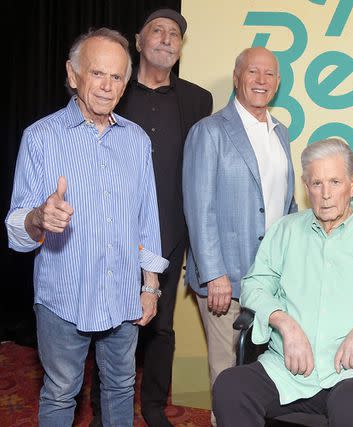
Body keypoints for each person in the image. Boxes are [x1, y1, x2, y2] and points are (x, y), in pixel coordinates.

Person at [5, 28, 168, 426]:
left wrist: (149, 286)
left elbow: (147, 217)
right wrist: (39, 218)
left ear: (125, 83)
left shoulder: (135, 140)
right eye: (97, 73)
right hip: (64, 295)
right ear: (73, 74)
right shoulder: (40, 137)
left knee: (120, 387)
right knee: (61, 394)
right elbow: (16, 228)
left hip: (122, 295)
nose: (106, 86)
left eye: (116, 77)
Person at [211, 139, 353, 426]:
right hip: (285, 369)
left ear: (352, 184)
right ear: (305, 185)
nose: (325, 194)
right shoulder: (284, 232)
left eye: (335, 182)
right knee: (231, 386)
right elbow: (255, 285)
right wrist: (283, 322)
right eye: (317, 183)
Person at [88, 9, 213, 427]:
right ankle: (104, 409)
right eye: (157, 31)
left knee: (160, 326)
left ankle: (155, 408)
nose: (165, 39)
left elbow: (200, 168)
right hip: (113, 232)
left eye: (174, 34)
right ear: (138, 41)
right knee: (108, 325)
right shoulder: (114, 91)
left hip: (171, 233)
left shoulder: (198, 99)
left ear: (181, 47)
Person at [182, 46, 297, 424]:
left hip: (271, 280)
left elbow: (288, 204)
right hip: (226, 280)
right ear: (237, 77)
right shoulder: (209, 131)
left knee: (264, 374)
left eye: (269, 74)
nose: (261, 80)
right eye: (253, 72)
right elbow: (199, 209)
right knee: (227, 373)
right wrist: (213, 274)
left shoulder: (281, 133)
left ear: (278, 83)